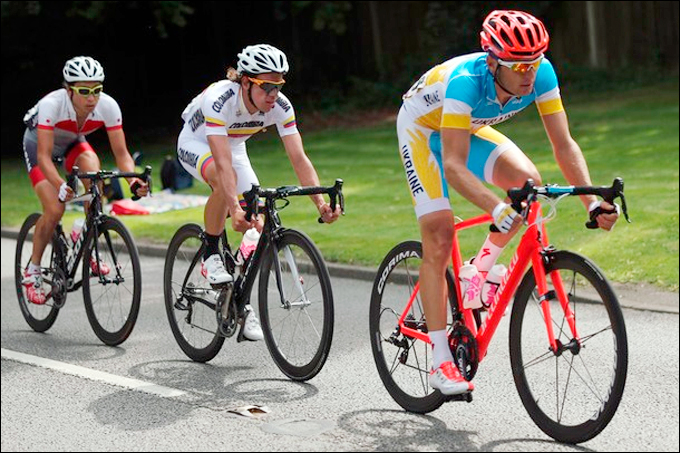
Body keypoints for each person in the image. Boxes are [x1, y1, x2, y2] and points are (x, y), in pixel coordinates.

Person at [396, 10, 620, 396]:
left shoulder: (542, 74)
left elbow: (563, 145)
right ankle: (440, 361)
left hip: (467, 128)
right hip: (422, 129)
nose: (528, 74)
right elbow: (451, 163)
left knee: (528, 185)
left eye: (533, 63)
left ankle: (477, 270)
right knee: (439, 236)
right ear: (493, 61)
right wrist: (495, 207)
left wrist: (590, 203)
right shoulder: (467, 82)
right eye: (518, 65)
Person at [176, 44, 341, 341]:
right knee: (222, 179)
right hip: (197, 142)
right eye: (267, 86)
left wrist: (320, 203)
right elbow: (224, 165)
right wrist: (234, 208)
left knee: (259, 224)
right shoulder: (220, 99)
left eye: (278, 86)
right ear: (246, 81)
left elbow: (299, 158)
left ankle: (241, 302)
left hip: (234, 146)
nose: (273, 95)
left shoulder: (281, 106)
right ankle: (211, 253)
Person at [22, 56, 149, 305]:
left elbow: (122, 154)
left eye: (97, 90)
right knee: (55, 208)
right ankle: (33, 270)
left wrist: (133, 182)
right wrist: (61, 185)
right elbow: (45, 158)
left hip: (72, 143)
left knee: (95, 174)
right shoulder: (52, 105)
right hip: (39, 147)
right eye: (84, 91)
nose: (92, 98)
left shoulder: (108, 106)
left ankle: (86, 235)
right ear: (69, 90)